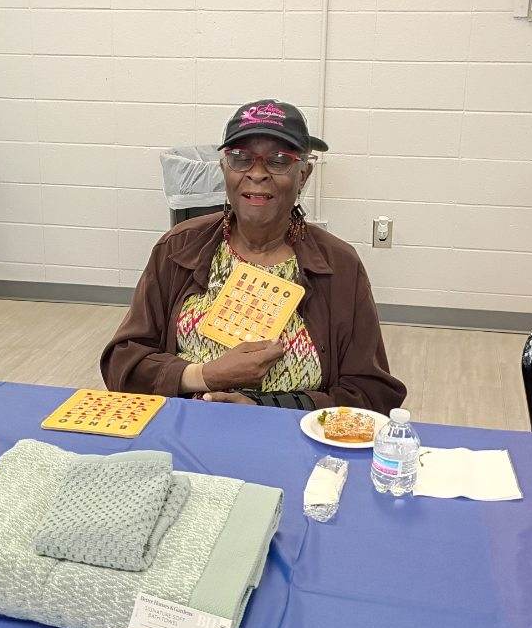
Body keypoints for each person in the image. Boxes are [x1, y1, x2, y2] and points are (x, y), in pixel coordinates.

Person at [101, 99, 405, 411]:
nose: (257, 173)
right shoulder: (179, 248)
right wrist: (204, 376)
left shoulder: (340, 266)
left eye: (278, 160)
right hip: (185, 431)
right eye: (240, 158)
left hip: (293, 442)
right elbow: (122, 363)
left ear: (304, 174)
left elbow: (370, 394)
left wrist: (265, 408)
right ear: (223, 169)